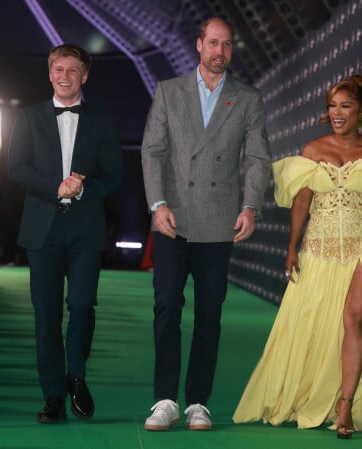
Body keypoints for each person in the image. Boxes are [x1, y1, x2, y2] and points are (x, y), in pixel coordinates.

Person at [232, 74, 362, 438]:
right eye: (332, 106)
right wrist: (291, 246)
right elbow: (301, 201)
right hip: (321, 247)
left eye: (345, 106)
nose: (337, 112)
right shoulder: (312, 151)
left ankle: (346, 405)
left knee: (355, 319)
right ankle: (315, 394)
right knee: (319, 323)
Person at [141, 17, 271, 431]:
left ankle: (198, 401)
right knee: (166, 307)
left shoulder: (248, 98)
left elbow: (257, 159)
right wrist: (157, 203)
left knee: (209, 314)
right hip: (173, 219)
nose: (220, 52)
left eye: (227, 45)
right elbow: (152, 151)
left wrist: (251, 205)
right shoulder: (168, 91)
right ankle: (165, 400)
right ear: (198, 45)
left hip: (219, 221)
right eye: (213, 43)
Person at [8, 43, 123, 424]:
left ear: (84, 76)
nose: (65, 76)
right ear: (50, 73)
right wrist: (56, 186)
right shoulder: (28, 117)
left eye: (73, 70)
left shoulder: (103, 120)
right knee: (46, 318)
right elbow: (16, 169)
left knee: (82, 306)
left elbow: (115, 176)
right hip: (42, 230)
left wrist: (83, 187)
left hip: (85, 231)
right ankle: (53, 396)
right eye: (59, 69)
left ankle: (77, 376)